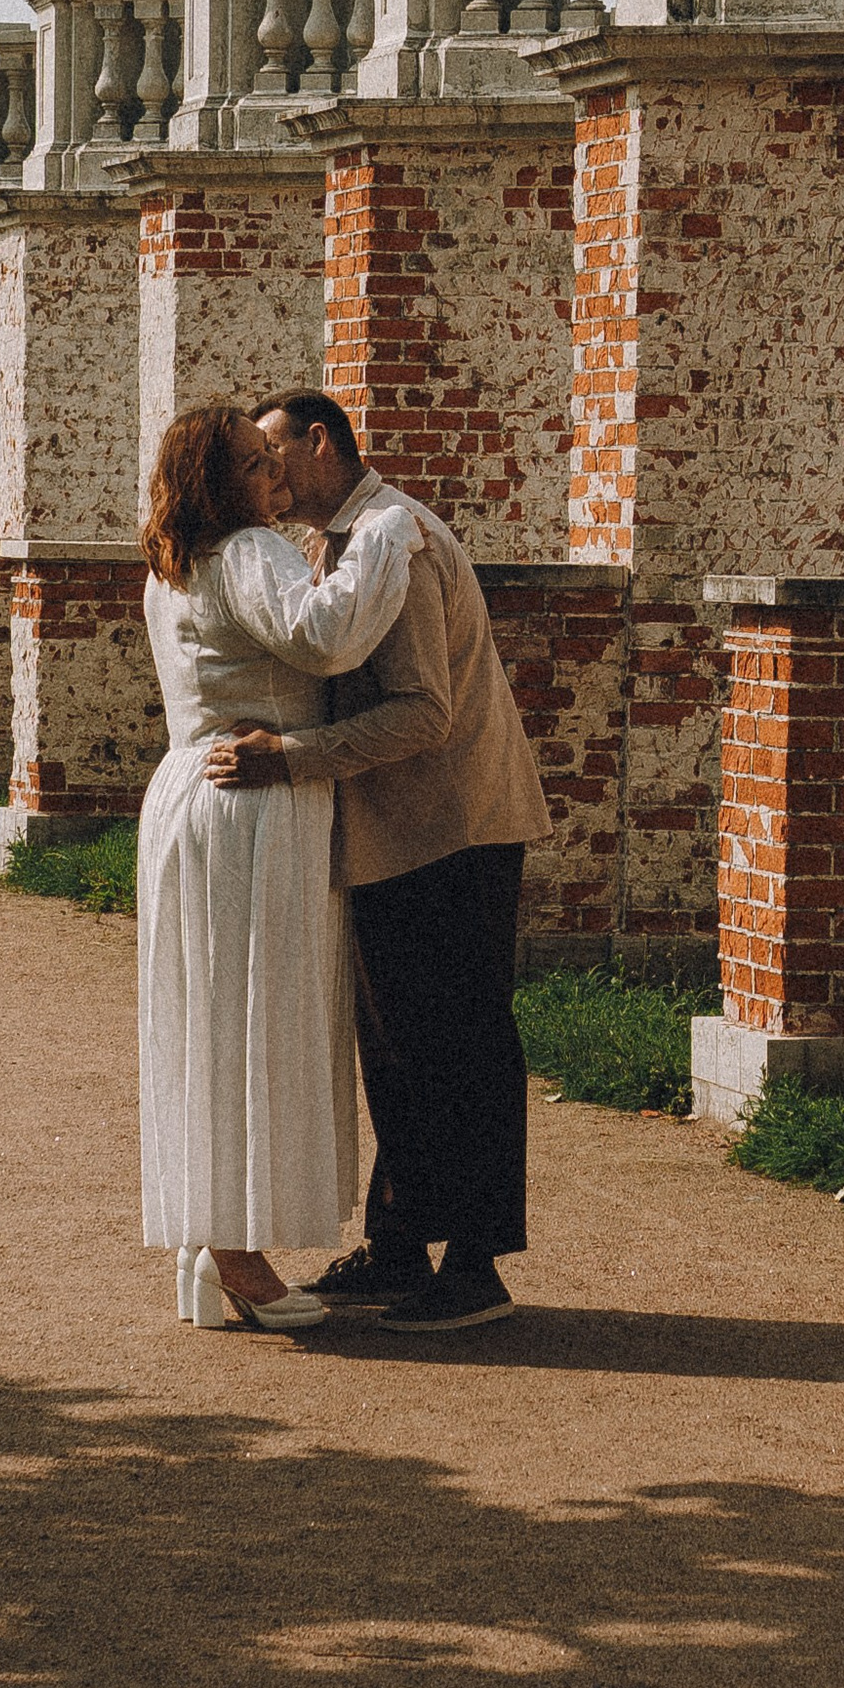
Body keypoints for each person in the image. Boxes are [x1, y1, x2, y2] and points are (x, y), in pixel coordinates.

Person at [203, 392, 548, 1332]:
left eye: (274, 455)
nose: (266, 478)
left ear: (323, 444)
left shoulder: (400, 540)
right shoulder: (335, 544)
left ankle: (475, 1266)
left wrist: (290, 758)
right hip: (393, 832)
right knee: (395, 1048)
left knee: (461, 1047)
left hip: (454, 826)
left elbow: (422, 713)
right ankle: (399, 1245)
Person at [135, 399, 422, 1330]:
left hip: (189, 793)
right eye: (259, 463)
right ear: (226, 482)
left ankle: (208, 1242)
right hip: (253, 804)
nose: (277, 476)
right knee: (255, 1021)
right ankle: (236, 1258)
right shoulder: (248, 552)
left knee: (210, 1019)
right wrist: (385, 538)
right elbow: (326, 637)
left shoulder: (172, 566)